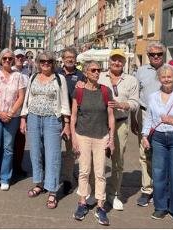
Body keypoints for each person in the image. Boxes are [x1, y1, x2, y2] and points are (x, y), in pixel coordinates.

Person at [86, 49, 139, 211]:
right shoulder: (99, 76)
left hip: (121, 123)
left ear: (124, 63)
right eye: (113, 60)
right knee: (96, 159)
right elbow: (87, 88)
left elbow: (135, 103)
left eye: (119, 60)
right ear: (109, 61)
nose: (116, 63)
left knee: (117, 160)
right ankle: (95, 191)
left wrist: (121, 105)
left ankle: (114, 194)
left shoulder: (131, 80)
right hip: (100, 123)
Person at [20, 52, 71, 209]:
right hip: (34, 118)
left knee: (53, 155)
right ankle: (39, 183)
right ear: (37, 62)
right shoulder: (33, 77)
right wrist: (23, 117)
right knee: (35, 153)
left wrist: (67, 123)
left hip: (52, 119)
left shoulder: (59, 79)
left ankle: (52, 190)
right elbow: (28, 98)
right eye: (42, 61)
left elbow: (64, 102)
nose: (46, 63)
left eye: (49, 61)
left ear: (53, 63)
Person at [71, 61, 115, 226]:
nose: (97, 72)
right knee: (84, 171)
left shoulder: (105, 91)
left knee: (100, 173)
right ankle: (82, 203)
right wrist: (74, 138)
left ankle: (100, 207)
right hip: (82, 136)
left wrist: (111, 138)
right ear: (86, 73)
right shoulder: (79, 91)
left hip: (101, 136)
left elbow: (110, 116)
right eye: (93, 70)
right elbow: (74, 116)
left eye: (99, 70)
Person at [130, 41, 173, 207]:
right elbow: (136, 95)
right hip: (145, 112)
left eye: (159, 54)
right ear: (148, 56)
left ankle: (162, 189)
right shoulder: (141, 71)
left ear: (163, 54)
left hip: (166, 116)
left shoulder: (172, 71)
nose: (156, 57)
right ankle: (147, 189)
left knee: (166, 153)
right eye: (152, 54)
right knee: (145, 152)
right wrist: (133, 117)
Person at [0, 49, 26, 191]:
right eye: (5, 58)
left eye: (10, 58)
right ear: (1, 60)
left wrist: (11, 112)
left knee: (8, 148)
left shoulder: (19, 76)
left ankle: (5, 178)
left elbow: (21, 97)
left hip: (12, 116)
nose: (7, 61)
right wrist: (0, 112)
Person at [142, 66, 173, 222]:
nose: (167, 79)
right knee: (158, 174)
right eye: (164, 77)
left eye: (169, 76)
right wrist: (144, 135)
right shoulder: (153, 96)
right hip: (157, 138)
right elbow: (149, 117)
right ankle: (161, 207)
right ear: (159, 79)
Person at [55, 47, 85, 195]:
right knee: (52, 149)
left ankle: (67, 179)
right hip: (55, 117)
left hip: (73, 118)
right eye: (66, 57)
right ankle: (52, 178)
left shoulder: (81, 75)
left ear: (75, 59)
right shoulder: (55, 73)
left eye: (72, 57)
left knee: (69, 150)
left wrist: (83, 87)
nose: (69, 59)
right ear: (62, 58)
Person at [11, 49, 31, 176]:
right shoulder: (9, 69)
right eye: (17, 56)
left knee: (20, 139)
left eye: (22, 57)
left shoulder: (27, 72)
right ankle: (7, 166)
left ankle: (17, 165)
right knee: (8, 140)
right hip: (10, 110)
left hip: (22, 110)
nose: (19, 58)